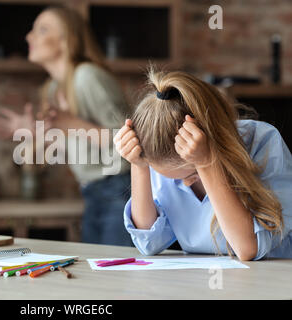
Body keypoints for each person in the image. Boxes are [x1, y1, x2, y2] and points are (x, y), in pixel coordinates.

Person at [114, 68, 292, 260]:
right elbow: (149, 244)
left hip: (273, 278)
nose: (187, 184)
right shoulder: (161, 153)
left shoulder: (263, 142)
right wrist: (139, 165)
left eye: (191, 175)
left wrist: (206, 164)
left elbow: (249, 249)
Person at [0, 6, 132, 246]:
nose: (29, 36)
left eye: (42, 30)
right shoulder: (53, 89)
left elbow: (130, 139)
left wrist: (71, 123)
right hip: (92, 192)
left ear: (66, 39)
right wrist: (36, 133)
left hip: (120, 191)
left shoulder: (87, 77)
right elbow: (69, 142)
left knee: (117, 274)